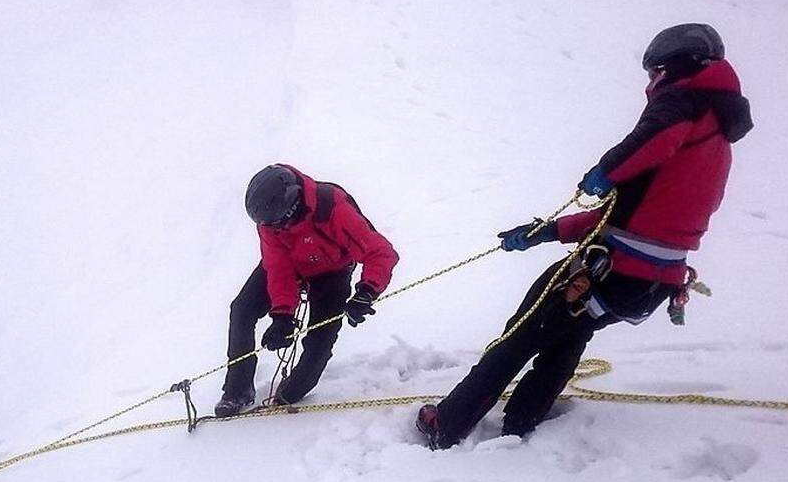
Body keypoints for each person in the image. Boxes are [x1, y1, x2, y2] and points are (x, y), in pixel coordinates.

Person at [416, 23, 753, 449]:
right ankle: (520, 422)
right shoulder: (715, 137)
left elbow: (647, 142)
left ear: (673, 69)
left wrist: (605, 171)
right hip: (651, 281)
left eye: (654, 74)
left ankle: (447, 424)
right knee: (570, 331)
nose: (650, 84)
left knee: (521, 334)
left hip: (611, 269)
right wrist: (547, 232)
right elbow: (634, 217)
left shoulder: (684, 105)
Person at [216, 164, 400, 416]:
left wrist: (367, 291)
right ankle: (238, 391)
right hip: (292, 264)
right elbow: (278, 268)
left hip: (332, 271)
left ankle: (292, 391)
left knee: (320, 338)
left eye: (276, 223)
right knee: (242, 310)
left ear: (292, 205)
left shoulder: (332, 207)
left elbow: (380, 252)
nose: (272, 229)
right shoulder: (269, 222)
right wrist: (282, 315)